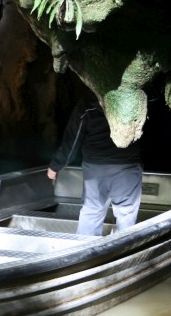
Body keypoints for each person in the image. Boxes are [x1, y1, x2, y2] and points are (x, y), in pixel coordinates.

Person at [47, 93, 143, 236]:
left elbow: (73, 137)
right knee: (126, 213)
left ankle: (85, 246)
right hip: (126, 165)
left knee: (92, 211)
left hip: (95, 167)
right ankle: (126, 247)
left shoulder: (88, 102)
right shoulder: (136, 98)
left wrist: (56, 165)